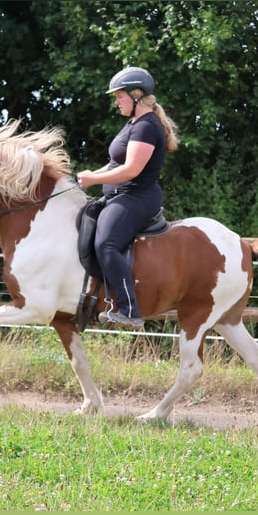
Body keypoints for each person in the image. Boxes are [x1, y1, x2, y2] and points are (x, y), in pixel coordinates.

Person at [77, 66, 180, 328]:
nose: (116, 101)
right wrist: (89, 175)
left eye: (119, 96)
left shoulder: (146, 127)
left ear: (136, 96)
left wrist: (94, 180)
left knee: (107, 245)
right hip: (119, 195)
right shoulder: (132, 123)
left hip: (137, 197)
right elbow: (114, 164)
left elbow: (131, 170)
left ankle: (129, 309)